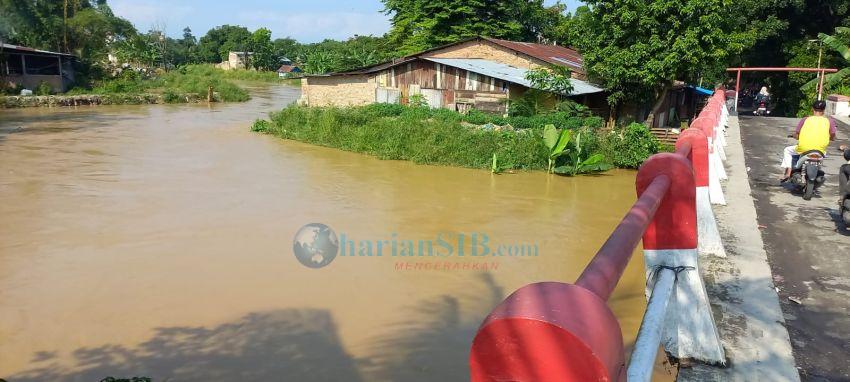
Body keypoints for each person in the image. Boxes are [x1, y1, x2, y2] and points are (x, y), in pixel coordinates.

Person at [780, 100, 837, 182]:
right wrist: (831, 138)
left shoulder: (805, 119)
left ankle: (788, 173)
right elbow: (833, 136)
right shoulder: (830, 121)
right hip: (820, 151)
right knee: (824, 154)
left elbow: (797, 135)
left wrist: (794, 136)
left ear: (812, 109)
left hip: (804, 149)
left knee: (787, 150)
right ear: (824, 110)